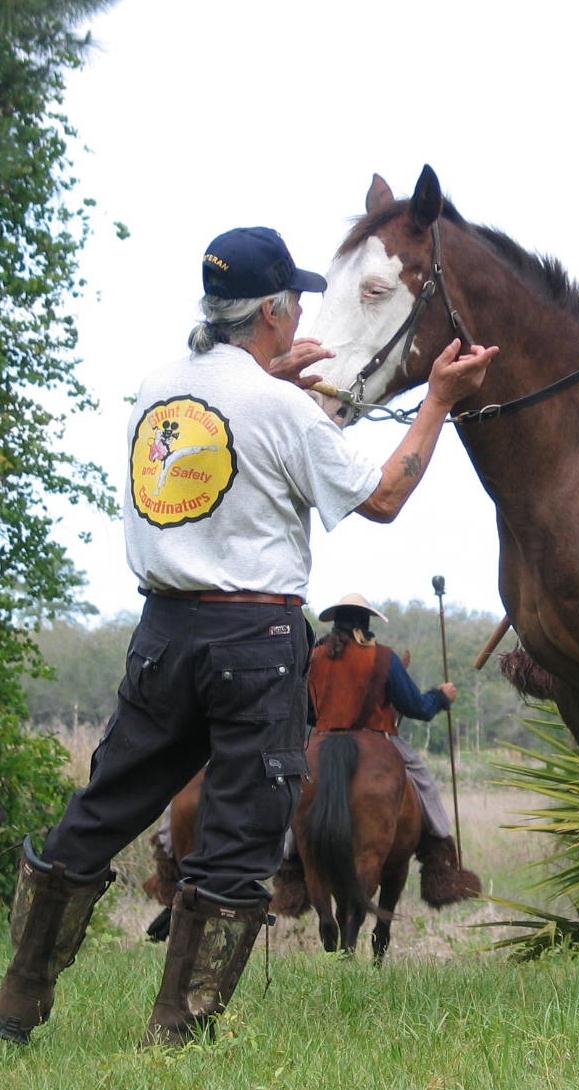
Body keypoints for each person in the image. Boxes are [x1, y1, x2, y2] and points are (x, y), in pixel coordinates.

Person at [0, 226, 498, 1047]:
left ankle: (15, 1006)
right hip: (255, 638)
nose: (303, 310)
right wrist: (439, 400)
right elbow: (381, 498)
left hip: (161, 629)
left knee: (100, 810)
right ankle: (177, 1029)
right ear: (271, 312)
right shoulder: (281, 408)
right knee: (238, 834)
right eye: (295, 299)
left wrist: (268, 381)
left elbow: (219, 442)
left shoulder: (155, 389)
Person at [309, 593, 481, 904]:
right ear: (366, 624)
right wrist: (441, 697)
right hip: (379, 737)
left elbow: (307, 711)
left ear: (335, 623)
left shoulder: (315, 657)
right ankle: (438, 850)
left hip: (322, 739)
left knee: (295, 789)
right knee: (424, 782)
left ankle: (289, 858)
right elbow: (416, 707)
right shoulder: (383, 657)